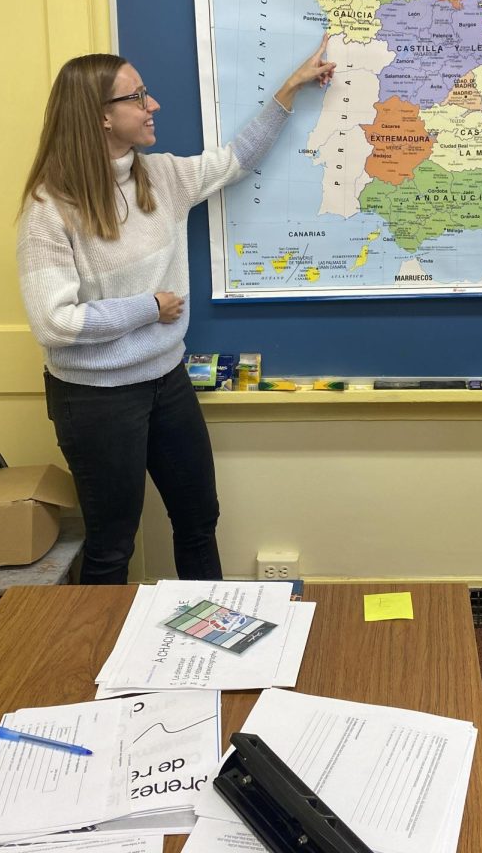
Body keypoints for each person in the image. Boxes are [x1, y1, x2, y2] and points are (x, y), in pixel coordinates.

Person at [17, 38, 335, 585]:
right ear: (101, 118)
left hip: (167, 382)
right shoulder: (49, 209)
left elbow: (238, 158)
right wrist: (148, 308)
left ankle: (205, 651)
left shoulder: (161, 176)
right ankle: (96, 664)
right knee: (113, 545)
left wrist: (289, 90)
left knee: (198, 521)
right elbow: (55, 322)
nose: (153, 105)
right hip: (95, 400)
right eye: (137, 97)